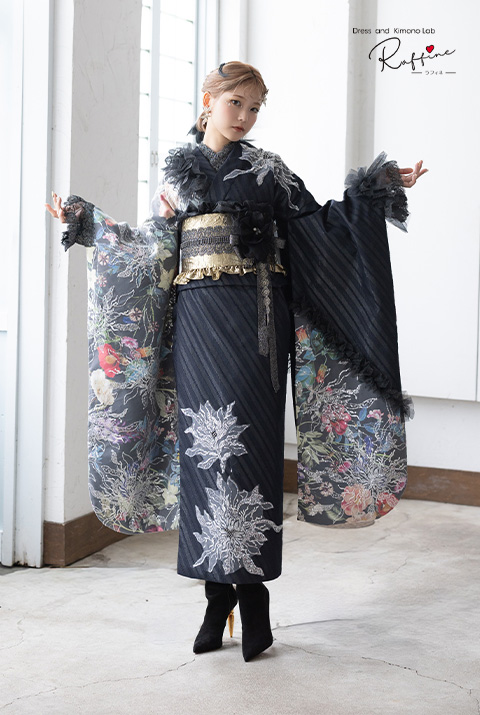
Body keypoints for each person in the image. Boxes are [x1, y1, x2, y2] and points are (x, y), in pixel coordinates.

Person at [46, 61, 427, 662]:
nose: (246, 117)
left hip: (258, 324)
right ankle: (215, 597)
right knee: (204, 453)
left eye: (255, 108)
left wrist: (373, 190)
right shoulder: (179, 173)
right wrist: (90, 223)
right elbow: (152, 248)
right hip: (198, 325)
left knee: (248, 449)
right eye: (236, 104)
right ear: (209, 101)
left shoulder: (269, 171)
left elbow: (322, 226)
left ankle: (253, 599)